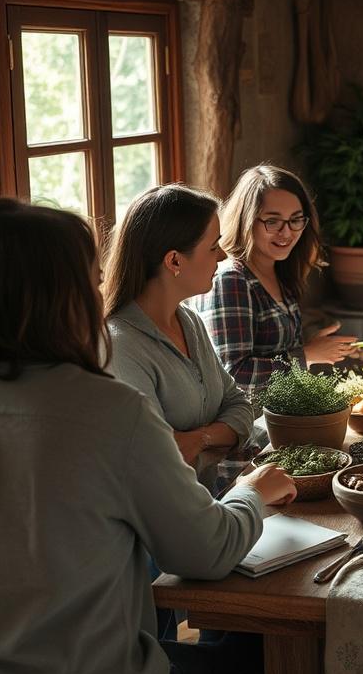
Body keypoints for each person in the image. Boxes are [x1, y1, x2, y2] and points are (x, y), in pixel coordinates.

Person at [0, 198, 297, 674]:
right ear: (63, 297)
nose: (101, 288)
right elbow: (205, 552)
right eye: (92, 279)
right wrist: (251, 493)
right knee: (267, 649)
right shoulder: (110, 411)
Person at [104, 184, 254, 468]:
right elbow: (159, 461)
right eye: (213, 247)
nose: (222, 256)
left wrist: (199, 439)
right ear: (174, 261)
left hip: (212, 499)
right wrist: (222, 437)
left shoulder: (190, 321)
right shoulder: (121, 346)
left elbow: (241, 406)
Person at [192, 163, 356, 403]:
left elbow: (275, 352)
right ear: (246, 220)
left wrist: (315, 345)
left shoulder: (280, 271)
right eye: (272, 221)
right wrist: (307, 355)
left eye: (296, 220)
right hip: (244, 428)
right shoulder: (230, 279)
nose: (287, 232)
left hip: (281, 417)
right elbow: (235, 375)